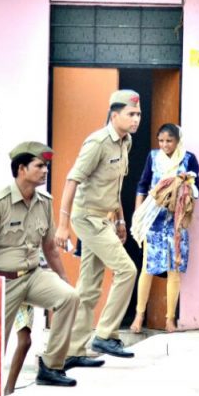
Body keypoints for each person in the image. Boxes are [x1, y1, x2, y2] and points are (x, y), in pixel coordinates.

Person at [0, 141, 81, 389]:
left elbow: (50, 248)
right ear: (22, 169)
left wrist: (63, 278)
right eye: (39, 166)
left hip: (33, 275)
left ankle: (51, 366)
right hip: (3, 280)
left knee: (69, 297)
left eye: (46, 166)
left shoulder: (44, 202)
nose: (45, 171)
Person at [55, 89, 141, 360]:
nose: (136, 119)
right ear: (114, 115)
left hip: (104, 217)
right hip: (87, 218)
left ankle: (73, 351)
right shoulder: (97, 143)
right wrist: (62, 225)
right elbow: (73, 180)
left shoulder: (125, 142)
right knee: (127, 270)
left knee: (89, 287)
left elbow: (114, 186)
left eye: (138, 114)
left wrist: (120, 219)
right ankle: (105, 335)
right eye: (131, 114)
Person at [130, 123, 199, 333]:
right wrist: (138, 214)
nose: (165, 145)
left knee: (174, 270)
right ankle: (138, 316)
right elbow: (142, 185)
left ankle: (170, 319)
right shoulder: (153, 157)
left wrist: (185, 186)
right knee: (147, 268)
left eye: (169, 141)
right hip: (153, 220)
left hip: (176, 221)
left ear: (178, 140)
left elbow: (198, 188)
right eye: (161, 141)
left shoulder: (188, 159)